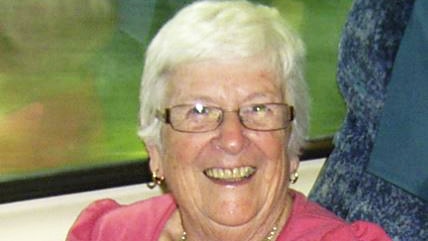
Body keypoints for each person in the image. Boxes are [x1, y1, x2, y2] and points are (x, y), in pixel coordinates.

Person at [66, 1, 392, 240]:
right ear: (155, 149)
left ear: (292, 148)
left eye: (259, 109)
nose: (233, 138)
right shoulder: (111, 234)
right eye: (199, 111)